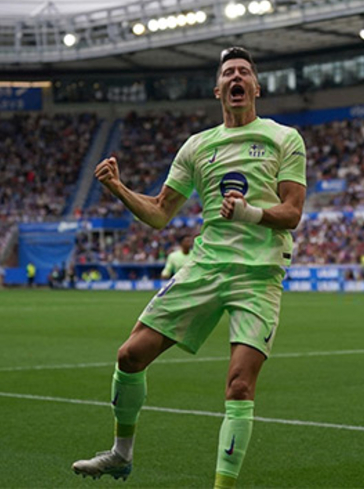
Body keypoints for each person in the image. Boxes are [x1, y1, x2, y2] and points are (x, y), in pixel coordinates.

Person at [72, 46, 307, 489]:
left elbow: (292, 212)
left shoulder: (284, 138)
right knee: (129, 354)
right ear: (218, 89)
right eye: (228, 74)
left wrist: (249, 214)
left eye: (244, 72)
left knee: (239, 385)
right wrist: (119, 188)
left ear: (255, 87)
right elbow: (161, 212)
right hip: (205, 267)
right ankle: (121, 455)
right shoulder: (197, 146)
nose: (236, 78)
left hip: (258, 274)